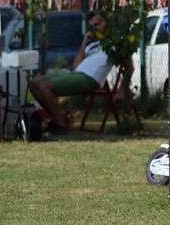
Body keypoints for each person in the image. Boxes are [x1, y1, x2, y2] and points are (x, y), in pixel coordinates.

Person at [27, 10, 114, 140]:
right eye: (94, 26)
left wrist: (122, 91)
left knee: (45, 87)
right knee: (33, 83)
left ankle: (60, 125)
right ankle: (56, 120)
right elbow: (76, 66)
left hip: (90, 78)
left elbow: (129, 66)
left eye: (99, 24)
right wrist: (85, 42)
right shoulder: (93, 45)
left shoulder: (115, 43)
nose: (97, 28)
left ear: (106, 22)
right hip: (77, 73)